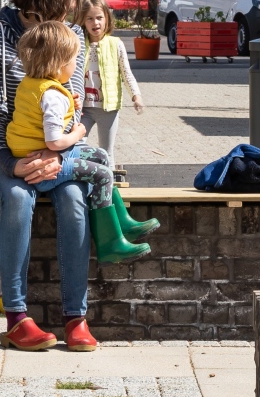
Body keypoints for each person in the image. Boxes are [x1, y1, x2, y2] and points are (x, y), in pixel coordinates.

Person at [0, 0, 101, 352]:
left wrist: (58, 157)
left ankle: (75, 318)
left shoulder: (74, 36)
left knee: (74, 200)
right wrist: (12, 165)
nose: (76, 3)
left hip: (59, 157)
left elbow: (75, 101)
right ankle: (16, 318)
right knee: (16, 196)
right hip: (5, 158)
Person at [8, 20, 154, 262]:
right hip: (43, 169)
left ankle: (122, 223)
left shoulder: (34, 84)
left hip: (32, 154)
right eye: (74, 59)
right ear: (58, 65)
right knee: (103, 175)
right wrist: (77, 134)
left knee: (102, 156)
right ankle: (110, 244)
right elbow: (54, 142)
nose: (76, 65)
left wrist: (69, 104)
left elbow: (37, 113)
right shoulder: (53, 95)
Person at [78, 0, 145, 154]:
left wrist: (136, 96)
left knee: (107, 151)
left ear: (106, 18)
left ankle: (108, 177)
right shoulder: (78, 44)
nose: (95, 23)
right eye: (90, 19)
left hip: (108, 109)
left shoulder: (116, 44)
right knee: (76, 147)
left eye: (99, 18)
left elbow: (126, 73)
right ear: (83, 21)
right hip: (83, 109)